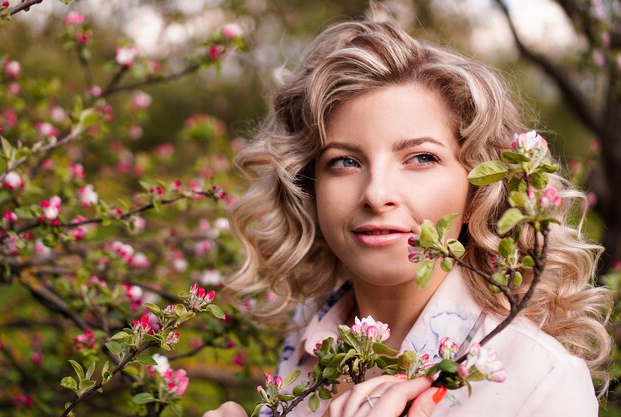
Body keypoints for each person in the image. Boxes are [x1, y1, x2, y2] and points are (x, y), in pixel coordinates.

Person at [203, 17, 611, 417]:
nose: (377, 193)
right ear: (310, 187)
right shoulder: (308, 331)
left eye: (420, 158)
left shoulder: (542, 382)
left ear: (478, 191)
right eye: (344, 161)